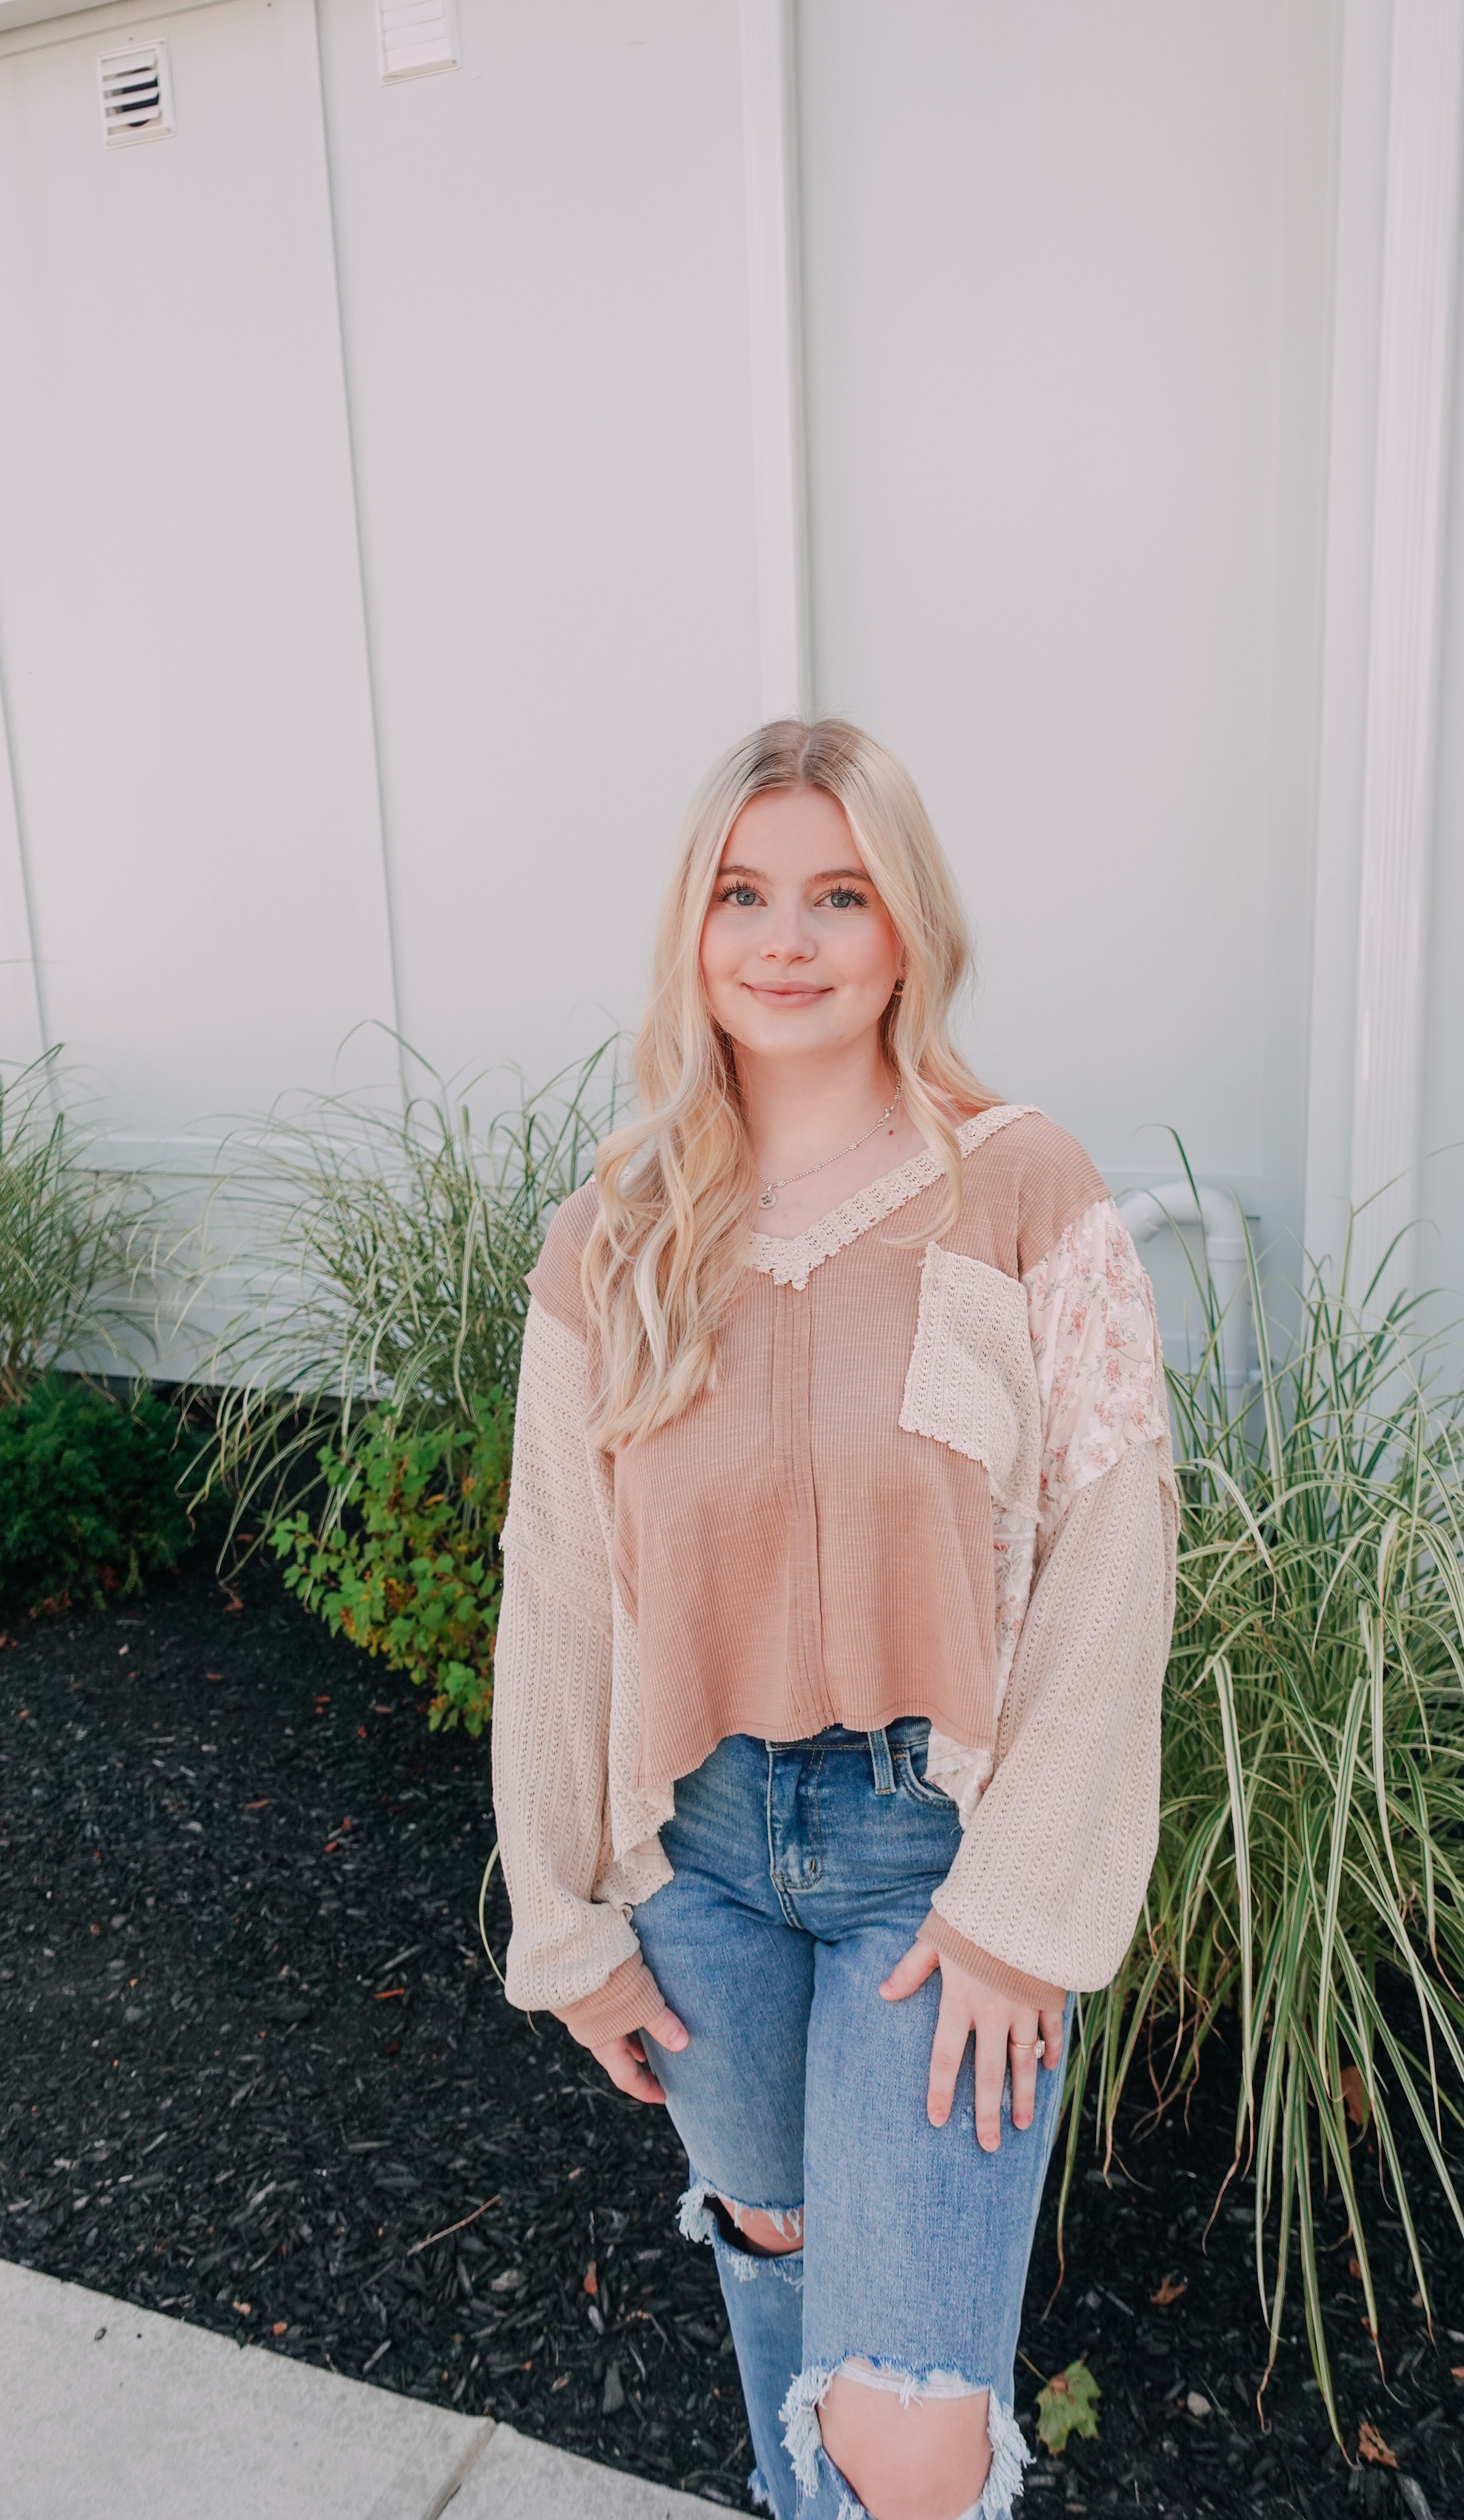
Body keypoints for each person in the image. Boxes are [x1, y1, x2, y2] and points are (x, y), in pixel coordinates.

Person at [491, 719, 1177, 2520]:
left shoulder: (1025, 1186)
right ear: (692, 929)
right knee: (778, 2273)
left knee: (909, 2434)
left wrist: (1023, 1913)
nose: (783, 938)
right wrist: (563, 1920)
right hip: (697, 1870)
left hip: (928, 1877)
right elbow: (560, 1580)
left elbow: (1121, 1539)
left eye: (836, 894)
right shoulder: (612, 1236)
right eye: (743, 893)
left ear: (902, 931)